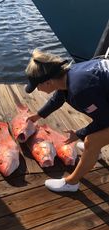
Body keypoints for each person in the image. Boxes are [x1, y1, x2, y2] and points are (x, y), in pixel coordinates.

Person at [25, 48, 109, 192]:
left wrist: (79, 133)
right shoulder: (71, 73)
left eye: (37, 86)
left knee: (91, 141)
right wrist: (38, 115)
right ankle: (96, 150)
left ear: (48, 82)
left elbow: (106, 120)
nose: (37, 90)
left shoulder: (80, 91)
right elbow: (59, 97)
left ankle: (71, 183)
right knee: (94, 136)